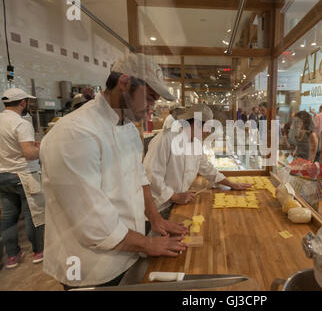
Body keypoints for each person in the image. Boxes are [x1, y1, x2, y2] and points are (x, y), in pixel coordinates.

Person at [40, 54, 188, 290]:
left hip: (130, 250)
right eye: (149, 98)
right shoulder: (75, 134)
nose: (152, 107)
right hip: (92, 267)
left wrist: (155, 218)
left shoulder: (128, 128)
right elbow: (93, 224)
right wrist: (149, 245)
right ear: (125, 83)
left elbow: (140, 178)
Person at [143, 104, 252, 219]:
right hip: (158, 208)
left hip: (178, 203)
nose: (209, 132)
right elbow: (150, 175)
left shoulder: (196, 143)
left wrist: (231, 184)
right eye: (208, 128)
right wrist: (174, 196)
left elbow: (207, 168)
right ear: (197, 124)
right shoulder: (165, 139)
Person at [0, 88, 45, 269]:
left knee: (8, 218)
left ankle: (12, 256)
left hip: (2, 175)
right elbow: (29, 154)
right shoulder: (21, 123)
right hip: (23, 174)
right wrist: (41, 148)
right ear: (22, 102)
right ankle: (38, 251)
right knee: (33, 215)